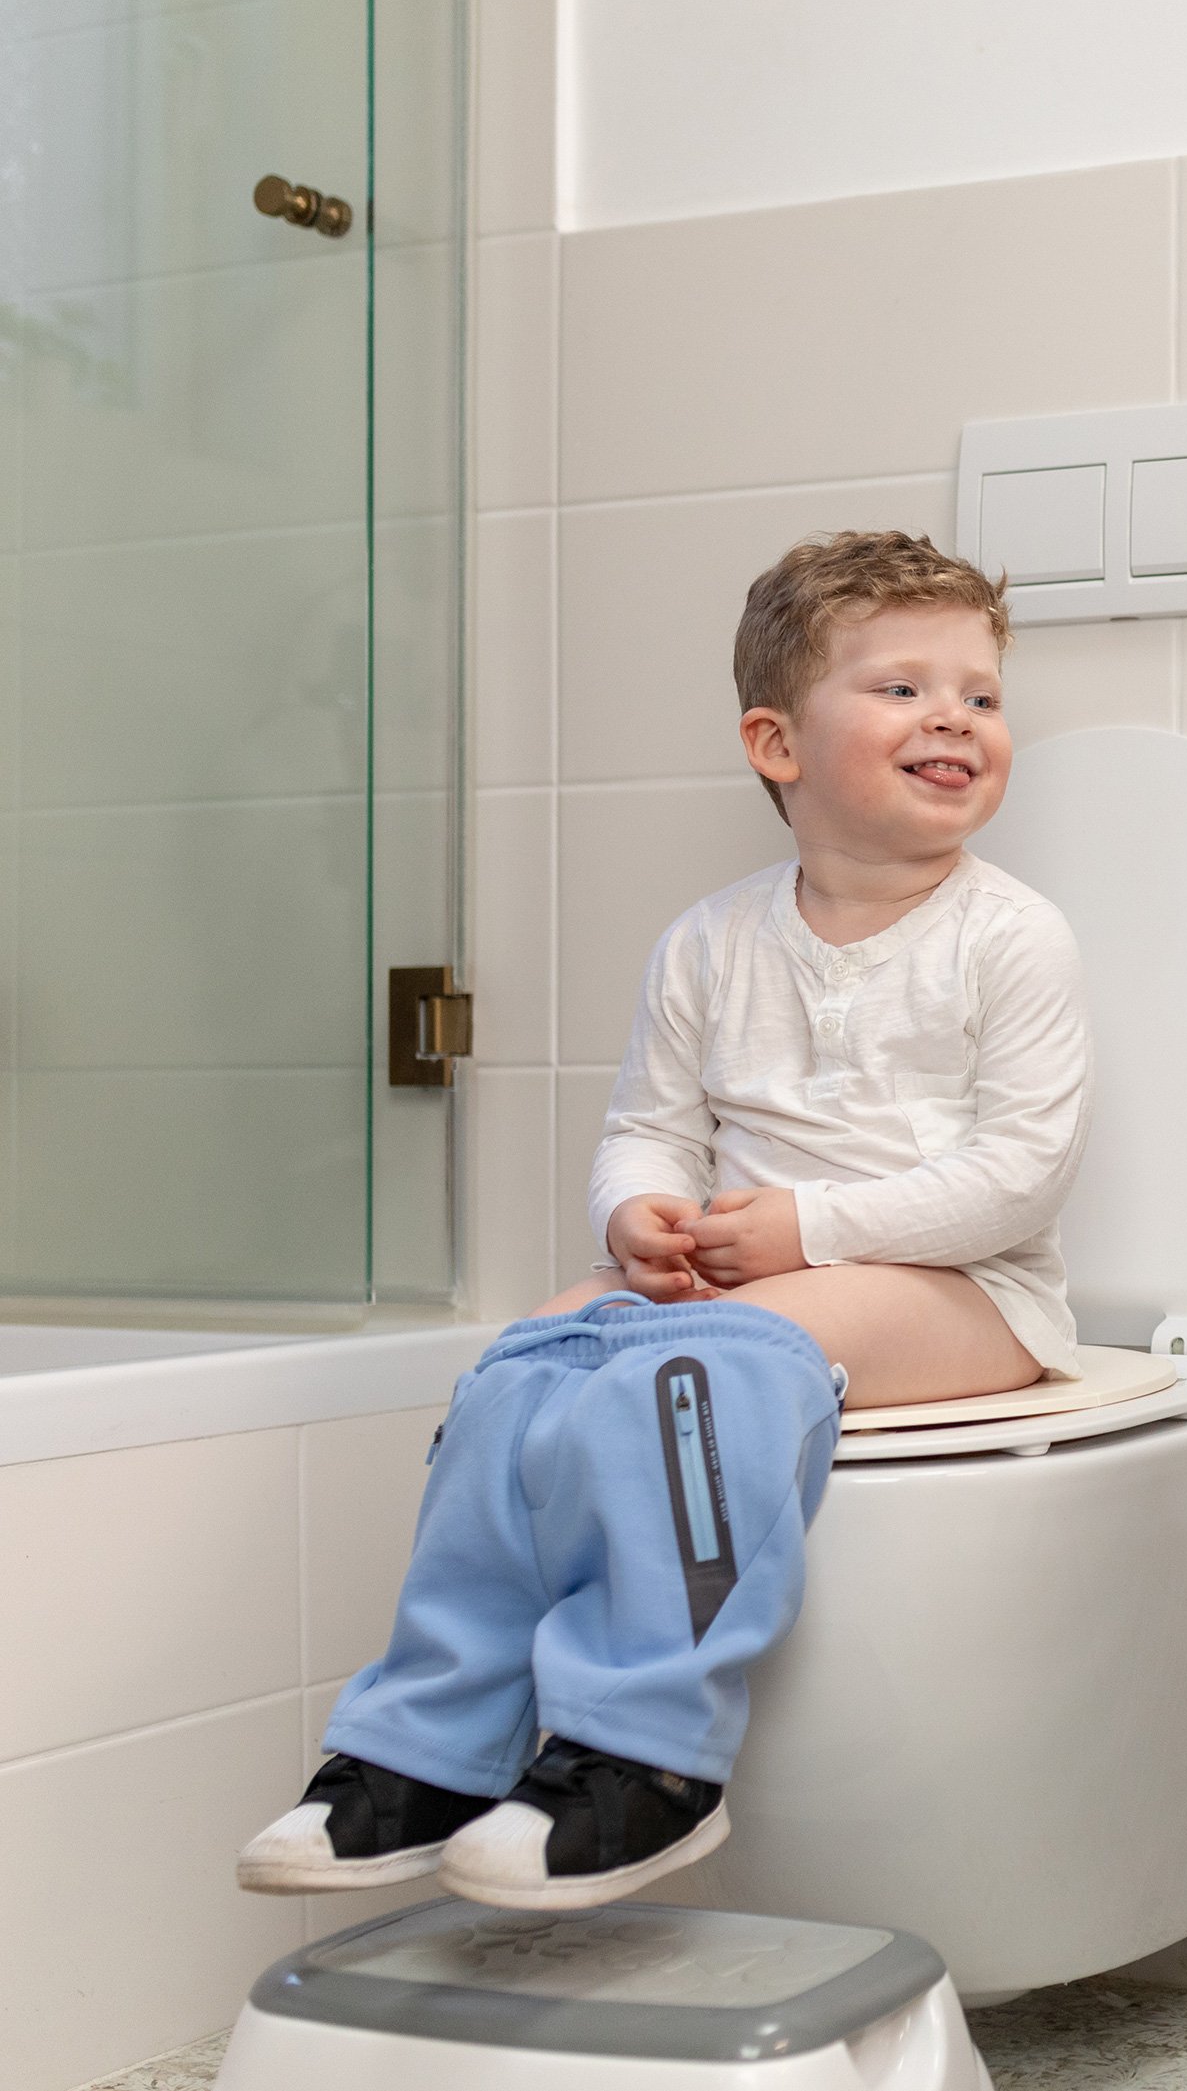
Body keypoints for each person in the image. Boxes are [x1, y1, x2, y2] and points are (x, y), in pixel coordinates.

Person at [237, 532, 1092, 1911]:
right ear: (776, 740)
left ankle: (647, 1754)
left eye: (980, 696)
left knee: (701, 1365)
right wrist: (634, 1211)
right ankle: (433, 1740)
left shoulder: (1010, 936)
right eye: (902, 689)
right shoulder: (709, 939)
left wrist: (800, 1228)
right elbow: (650, 1122)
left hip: (965, 1287)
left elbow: (1019, 1176)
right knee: (527, 1361)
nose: (954, 718)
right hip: (763, 1279)